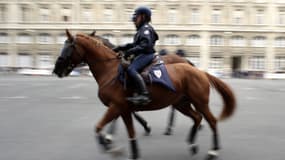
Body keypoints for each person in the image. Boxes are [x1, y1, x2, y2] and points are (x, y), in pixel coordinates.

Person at [113, 6, 159, 105]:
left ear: (143, 17)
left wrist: (128, 53)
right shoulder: (141, 29)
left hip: (147, 54)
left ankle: (144, 94)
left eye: (136, 18)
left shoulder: (146, 29)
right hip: (143, 53)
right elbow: (134, 45)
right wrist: (121, 47)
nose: (134, 21)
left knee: (131, 69)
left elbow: (145, 46)